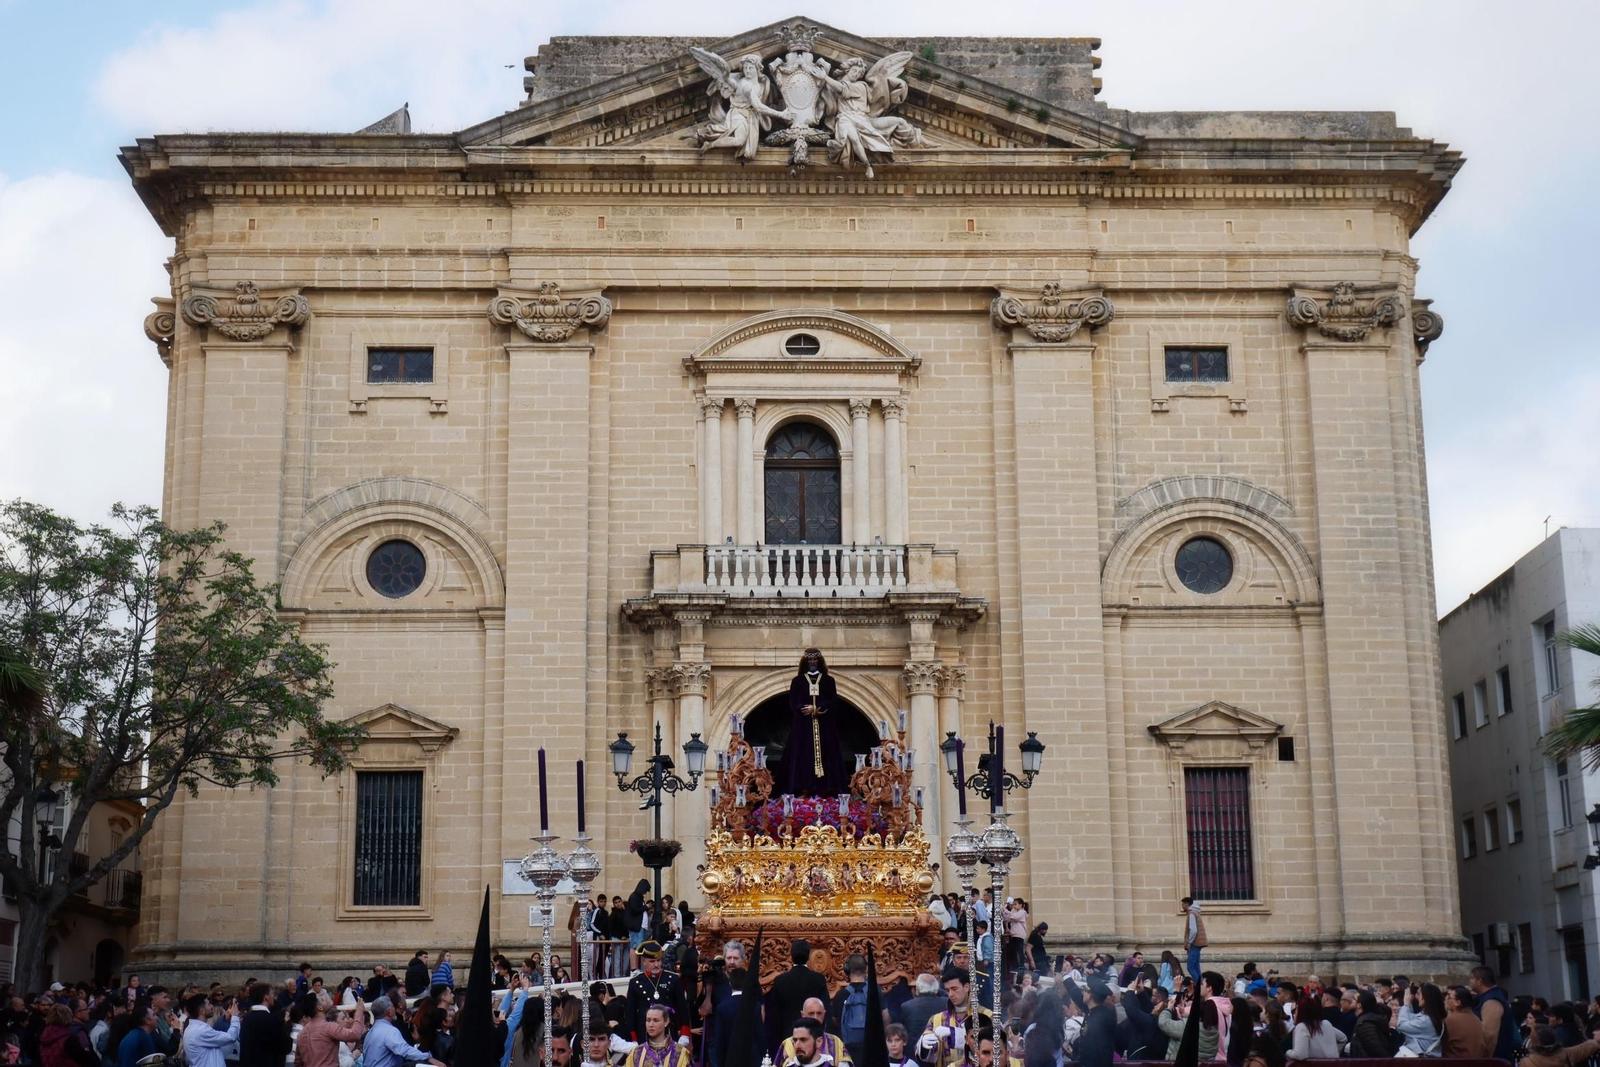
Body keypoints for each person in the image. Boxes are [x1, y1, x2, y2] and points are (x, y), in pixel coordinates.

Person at [776, 649, 849, 796]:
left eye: (815, 660)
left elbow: (833, 701)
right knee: (802, 756)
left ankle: (825, 790)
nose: (812, 663)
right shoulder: (798, 681)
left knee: (828, 755)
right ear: (805, 662)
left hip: (825, 727)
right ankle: (803, 788)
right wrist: (804, 708)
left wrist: (817, 708)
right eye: (810, 660)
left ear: (819, 662)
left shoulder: (828, 681)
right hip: (803, 728)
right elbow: (793, 702)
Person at [917, 968, 990, 1067]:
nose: (950, 994)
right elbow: (929, 1058)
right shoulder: (937, 1019)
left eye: (954, 989)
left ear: (967, 987)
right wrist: (923, 1045)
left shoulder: (988, 1016)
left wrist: (954, 1034)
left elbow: (997, 1046)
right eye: (947, 990)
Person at [771, 942, 830, 1051]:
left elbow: (774, 1014)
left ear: (791, 956)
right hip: (812, 1035)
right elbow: (825, 1008)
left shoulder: (780, 980)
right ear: (808, 956)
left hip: (788, 1035)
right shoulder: (818, 979)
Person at [626, 942, 687, 1044]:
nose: (656, 965)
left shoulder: (673, 979)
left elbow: (682, 1008)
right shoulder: (635, 983)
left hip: (668, 1032)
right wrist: (633, 1038)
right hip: (644, 1034)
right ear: (644, 962)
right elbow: (630, 1014)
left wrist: (685, 1033)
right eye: (652, 961)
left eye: (659, 960)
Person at [365, 998, 441, 1067]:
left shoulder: (370, 1033)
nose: (394, 1009)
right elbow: (404, 1050)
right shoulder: (389, 1031)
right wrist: (427, 1057)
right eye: (393, 1007)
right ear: (389, 1012)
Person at [295, 994, 366, 1067]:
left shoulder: (302, 1034)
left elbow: (298, 1063)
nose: (325, 999)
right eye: (322, 999)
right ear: (320, 1007)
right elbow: (354, 1034)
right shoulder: (328, 1027)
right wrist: (359, 1011)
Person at [1468, 965, 1515, 1061]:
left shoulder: (1492, 1001)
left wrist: (1487, 1059)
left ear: (1480, 981)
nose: (1470, 981)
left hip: (1497, 1059)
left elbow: (1489, 1035)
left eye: (1472, 978)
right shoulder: (1487, 998)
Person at [830, 955, 871, 1064]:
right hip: (871, 1046)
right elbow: (885, 1018)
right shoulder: (875, 992)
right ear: (867, 969)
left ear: (847, 970)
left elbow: (835, 1021)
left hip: (848, 1048)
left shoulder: (840, 995)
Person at [238, 983, 290, 1067]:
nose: (274, 997)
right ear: (266, 997)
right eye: (272, 994)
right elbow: (286, 1046)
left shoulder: (246, 1018)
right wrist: (286, 1025)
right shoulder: (272, 1019)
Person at [621, 1006, 691, 1067]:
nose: (651, 1024)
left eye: (656, 1020)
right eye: (648, 1020)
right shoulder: (636, 1052)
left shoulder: (680, 1053)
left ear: (666, 1022)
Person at [182, 995, 241, 1067]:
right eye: (209, 1004)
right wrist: (235, 1017)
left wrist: (225, 1019)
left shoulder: (192, 1028)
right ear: (202, 1011)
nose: (212, 1006)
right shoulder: (201, 1030)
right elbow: (231, 1037)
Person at [1286, 994, 1344, 1061]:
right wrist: (1333, 1055)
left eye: (1296, 1011)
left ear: (1302, 1013)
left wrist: (1287, 1052)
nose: (1294, 1015)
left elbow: (1299, 1055)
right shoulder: (1326, 1024)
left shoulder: (1302, 1027)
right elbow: (1343, 1038)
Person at [1397, 982, 1445, 1057]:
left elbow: (1401, 1025)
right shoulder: (1429, 1016)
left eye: (1419, 994)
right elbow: (1410, 1019)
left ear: (1426, 998)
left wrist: (1406, 1004)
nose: (1416, 997)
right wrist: (1408, 1006)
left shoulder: (1427, 1020)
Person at [1521, 1026, 1600, 1067]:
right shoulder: (1567, 1053)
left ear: (1535, 1041)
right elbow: (1587, 1047)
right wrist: (1596, 1040)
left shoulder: (1527, 1062)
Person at [901, 976, 946, 1045]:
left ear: (917, 988)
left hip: (914, 1049)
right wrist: (935, 989)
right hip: (940, 1047)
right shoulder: (945, 1002)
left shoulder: (907, 1006)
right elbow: (946, 994)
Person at [1440, 986, 1483, 1059]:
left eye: (1449, 997)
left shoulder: (1450, 1021)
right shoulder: (1476, 1019)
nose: (1446, 999)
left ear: (1457, 1002)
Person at [1181, 898, 1206, 979]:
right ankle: (1201, 984)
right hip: (1198, 943)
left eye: (1183, 904)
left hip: (1195, 943)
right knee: (1196, 966)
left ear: (1187, 904)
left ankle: (1199, 986)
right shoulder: (1196, 912)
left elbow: (1193, 930)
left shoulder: (1191, 913)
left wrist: (1189, 942)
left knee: (1190, 966)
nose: (1182, 906)